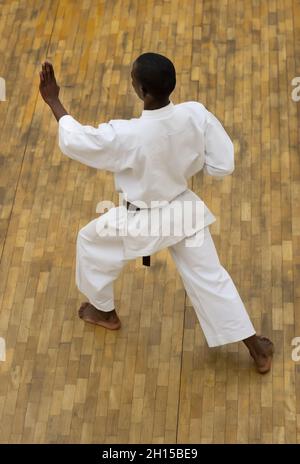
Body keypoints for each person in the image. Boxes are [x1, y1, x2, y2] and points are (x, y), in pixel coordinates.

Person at [39, 52, 274, 373]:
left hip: (140, 220)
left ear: (142, 91)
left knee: (90, 243)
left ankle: (104, 312)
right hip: (184, 211)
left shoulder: (126, 135)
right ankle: (256, 347)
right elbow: (222, 165)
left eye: (133, 80)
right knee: (211, 278)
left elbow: (78, 141)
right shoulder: (196, 114)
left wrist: (53, 101)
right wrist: (183, 160)